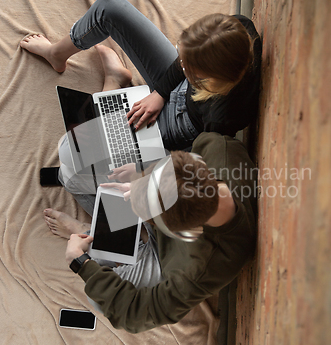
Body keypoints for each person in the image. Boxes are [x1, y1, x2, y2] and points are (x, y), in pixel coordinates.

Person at [45, 131, 258, 333]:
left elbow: (131, 313)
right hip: (172, 205)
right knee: (69, 171)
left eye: (148, 216)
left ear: (182, 233)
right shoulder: (218, 147)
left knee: (97, 297)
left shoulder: (197, 272)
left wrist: (80, 263)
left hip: (162, 260)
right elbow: (177, 173)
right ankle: (100, 236)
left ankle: (92, 234)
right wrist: (142, 176)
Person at [20, 0, 262, 150]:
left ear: (211, 80)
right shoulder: (239, 29)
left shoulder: (220, 120)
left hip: (183, 126)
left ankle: (113, 83)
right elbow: (184, 63)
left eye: (189, 68)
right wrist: (160, 93)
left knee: (87, 147)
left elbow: (195, 159)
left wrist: (145, 170)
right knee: (109, 7)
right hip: (177, 91)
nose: (181, 64)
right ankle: (56, 54)